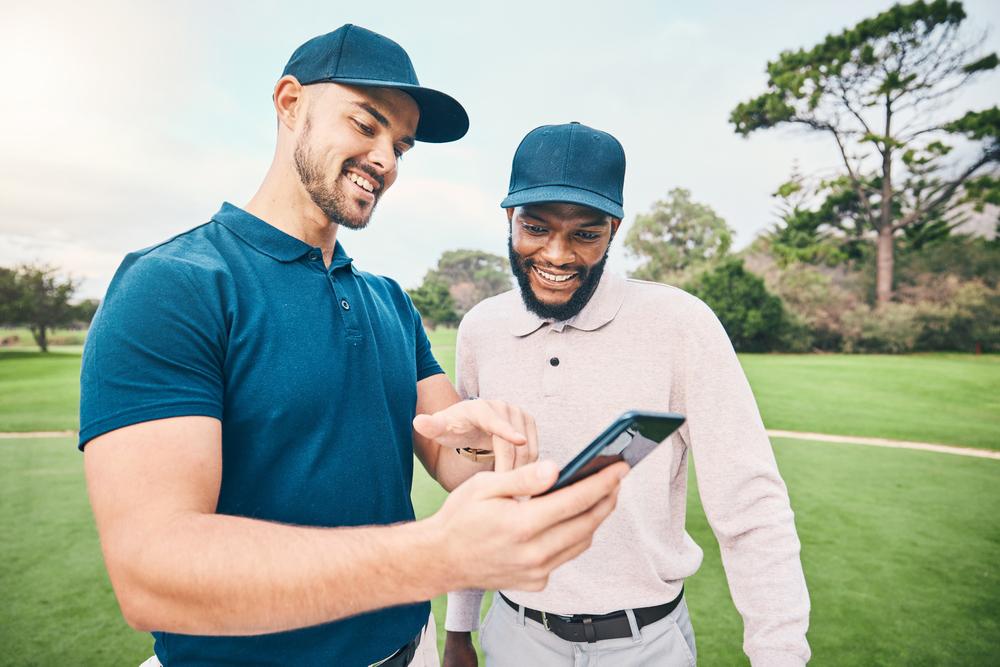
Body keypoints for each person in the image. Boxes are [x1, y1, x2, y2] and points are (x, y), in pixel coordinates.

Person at [80, 28, 626, 667]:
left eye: (400, 146)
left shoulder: (387, 299)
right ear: (289, 103)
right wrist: (437, 555)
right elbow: (153, 574)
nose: (386, 160)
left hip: (410, 649)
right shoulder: (174, 285)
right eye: (365, 125)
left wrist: (500, 452)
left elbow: (451, 449)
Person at [442, 122, 811, 666]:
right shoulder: (481, 330)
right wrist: (459, 628)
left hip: (647, 643)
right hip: (516, 635)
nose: (557, 254)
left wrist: (779, 656)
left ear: (614, 228)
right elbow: (479, 487)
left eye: (585, 234)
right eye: (536, 228)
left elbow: (750, 504)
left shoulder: (681, 324)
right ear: (510, 220)